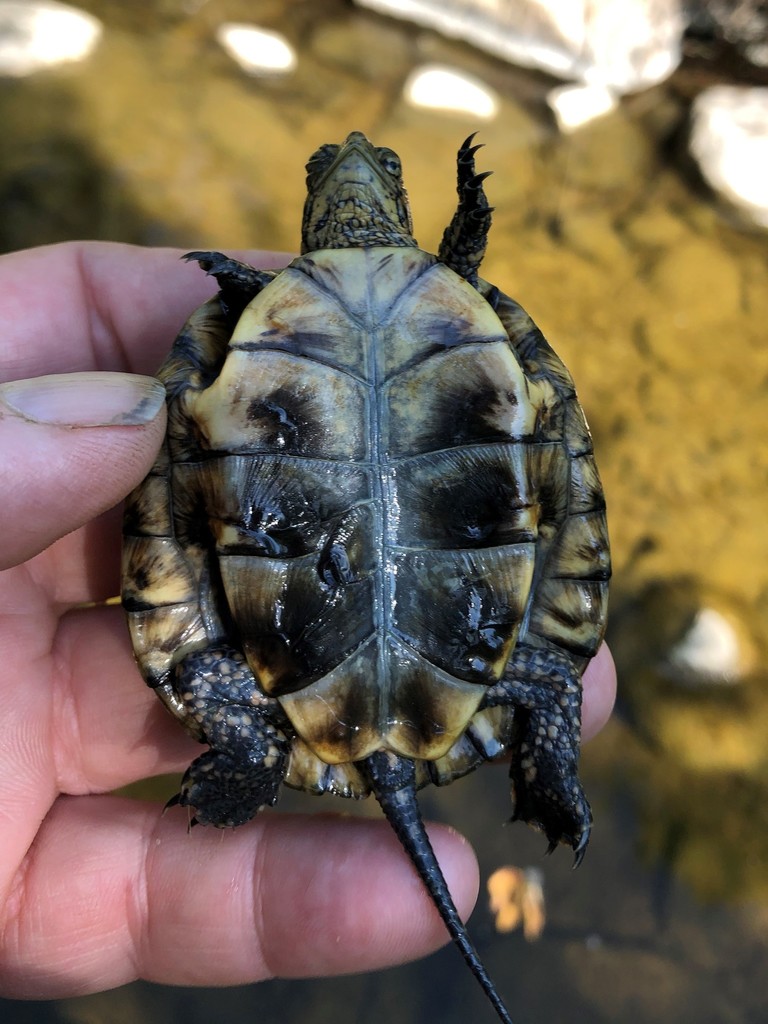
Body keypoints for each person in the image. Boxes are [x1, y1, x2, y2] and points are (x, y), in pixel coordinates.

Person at [0, 241, 616, 997]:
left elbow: (189, 415)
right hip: (455, 630)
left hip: (270, 667)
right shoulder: (455, 301)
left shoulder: (258, 315)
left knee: (212, 673)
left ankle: (252, 744)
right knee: (548, 672)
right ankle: (532, 768)